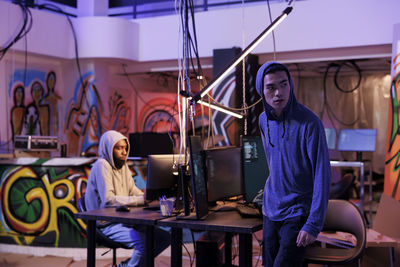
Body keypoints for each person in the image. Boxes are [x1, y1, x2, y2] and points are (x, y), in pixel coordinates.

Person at [255, 62, 331, 266]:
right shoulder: (263, 120)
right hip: (271, 210)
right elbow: (275, 163)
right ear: (261, 90)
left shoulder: (310, 122)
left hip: (298, 211)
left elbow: (322, 175)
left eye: (284, 84)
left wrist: (313, 224)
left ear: (290, 85)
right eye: (271, 87)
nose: (279, 92)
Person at [85, 130, 170, 267]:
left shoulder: (123, 166)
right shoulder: (102, 165)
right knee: (144, 243)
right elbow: (108, 199)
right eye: (119, 148)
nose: (124, 152)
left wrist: (148, 196)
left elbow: (133, 191)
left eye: (125, 148)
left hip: (124, 218)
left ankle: (134, 265)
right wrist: (141, 200)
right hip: (106, 223)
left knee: (164, 238)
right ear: (108, 148)